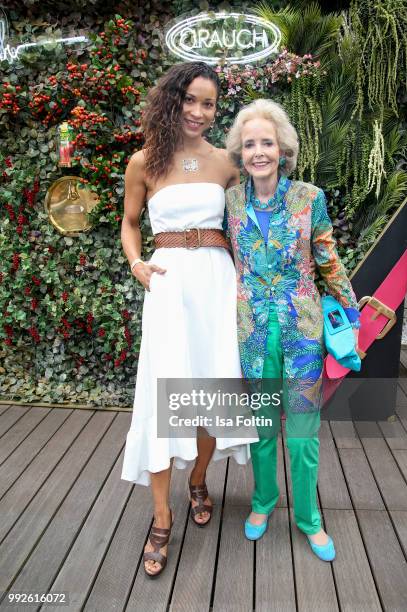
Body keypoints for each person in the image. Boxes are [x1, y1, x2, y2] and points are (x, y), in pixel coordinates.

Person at [120, 61, 254, 577]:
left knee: (212, 390)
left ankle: (199, 478)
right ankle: (161, 515)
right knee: (164, 393)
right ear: (172, 99)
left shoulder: (226, 163)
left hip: (217, 285)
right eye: (191, 99)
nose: (199, 111)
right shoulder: (143, 163)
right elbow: (131, 225)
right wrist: (137, 264)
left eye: (209, 103)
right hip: (169, 283)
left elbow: (252, 222)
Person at [225, 99, 360, 562]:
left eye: (267, 142)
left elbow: (325, 255)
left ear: (283, 149)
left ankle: (309, 518)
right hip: (254, 333)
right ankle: (263, 502)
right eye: (249, 144)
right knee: (262, 428)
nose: (258, 151)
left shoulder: (308, 197)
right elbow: (232, 262)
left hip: (301, 331)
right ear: (240, 152)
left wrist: (348, 306)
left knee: (302, 430)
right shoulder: (232, 200)